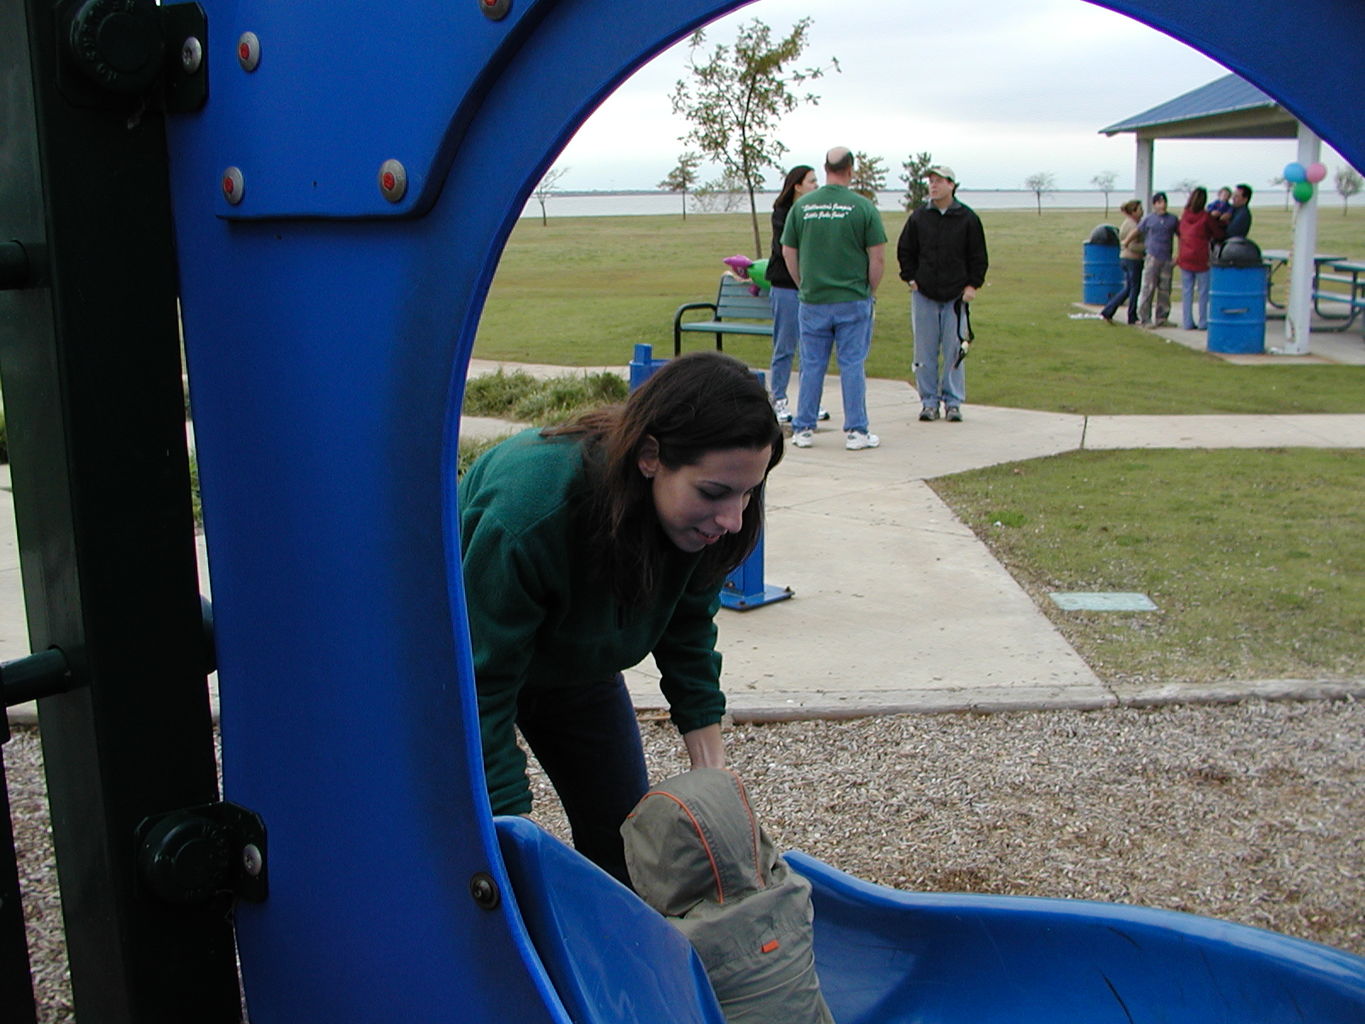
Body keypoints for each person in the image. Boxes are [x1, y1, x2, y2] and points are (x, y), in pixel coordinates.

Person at [459, 351, 784, 884]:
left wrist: (715, 773)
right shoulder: (527, 513)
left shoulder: (702, 517)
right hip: (463, 663)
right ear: (651, 455)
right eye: (715, 493)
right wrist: (510, 848)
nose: (733, 519)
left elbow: (688, 627)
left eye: (748, 492)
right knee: (480, 857)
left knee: (620, 845)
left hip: (574, 671)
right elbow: (479, 686)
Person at [781, 146, 887, 451]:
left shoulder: (802, 208)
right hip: (852, 298)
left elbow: (789, 251)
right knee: (852, 363)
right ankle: (857, 431)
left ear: (825, 168)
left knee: (812, 364)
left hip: (813, 299)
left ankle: (803, 428)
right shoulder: (863, 208)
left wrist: (803, 283)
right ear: (851, 169)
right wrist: (870, 289)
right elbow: (877, 257)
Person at [896, 164, 989, 421]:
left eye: (939, 181)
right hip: (924, 293)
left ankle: (953, 401)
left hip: (956, 296)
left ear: (951, 184)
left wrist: (972, 285)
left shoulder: (968, 219)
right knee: (924, 352)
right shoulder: (919, 218)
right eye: (931, 181)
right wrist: (911, 279)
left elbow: (978, 256)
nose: (933, 185)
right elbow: (905, 250)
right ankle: (928, 401)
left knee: (953, 350)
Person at [766, 165, 827, 425]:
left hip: (812, 288)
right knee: (785, 345)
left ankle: (809, 402)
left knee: (811, 348)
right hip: (786, 286)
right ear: (797, 186)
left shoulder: (816, 212)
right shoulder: (782, 214)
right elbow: (787, 249)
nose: (816, 185)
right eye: (812, 181)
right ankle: (778, 398)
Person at [1135, 191, 1179, 328]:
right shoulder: (1149, 219)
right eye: (1159, 202)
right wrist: (1126, 242)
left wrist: (1179, 255)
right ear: (1154, 204)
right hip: (1152, 257)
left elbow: (1181, 236)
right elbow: (1137, 231)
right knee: (1148, 288)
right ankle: (1144, 318)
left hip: (1167, 258)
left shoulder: (1173, 219)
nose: (1163, 205)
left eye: (1164, 201)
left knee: (1165, 289)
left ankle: (1162, 317)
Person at [1176, 186, 1216, 330]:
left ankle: (1187, 321)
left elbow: (1180, 231)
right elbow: (1216, 232)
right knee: (1203, 292)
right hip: (1201, 257)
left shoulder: (1185, 215)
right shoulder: (1206, 217)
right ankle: (1203, 321)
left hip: (1185, 256)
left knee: (1187, 291)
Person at [1100, 199, 1145, 325]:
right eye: (1140, 209)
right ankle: (1131, 316)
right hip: (1132, 259)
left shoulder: (1129, 223)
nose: (1142, 212)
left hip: (1126, 259)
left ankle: (1109, 310)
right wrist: (1147, 248)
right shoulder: (1133, 226)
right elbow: (1131, 245)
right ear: (1133, 211)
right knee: (1133, 289)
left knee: (1129, 288)